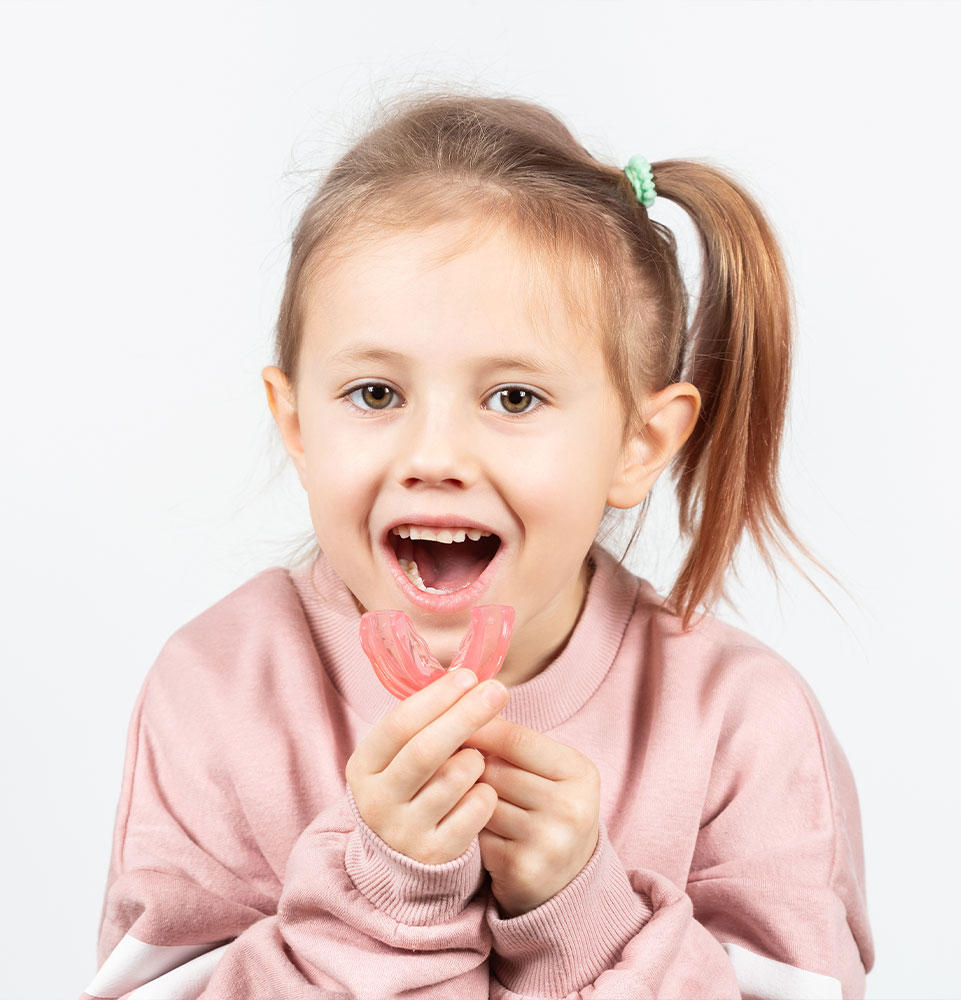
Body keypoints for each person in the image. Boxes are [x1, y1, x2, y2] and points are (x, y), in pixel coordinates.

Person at [82, 88, 874, 999]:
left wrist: (586, 917)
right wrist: (381, 899)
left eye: (513, 399)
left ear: (638, 444)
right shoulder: (217, 690)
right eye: (376, 394)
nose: (434, 457)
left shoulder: (742, 725)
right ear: (295, 423)